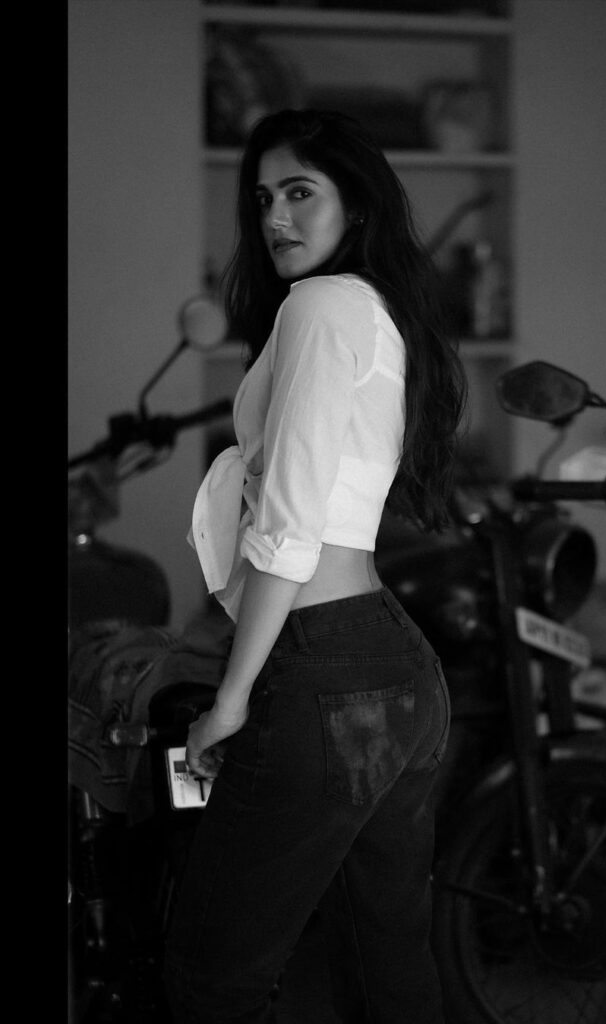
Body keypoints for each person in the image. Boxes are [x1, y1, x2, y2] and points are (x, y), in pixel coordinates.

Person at [163, 108, 466, 1024]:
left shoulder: (321, 306)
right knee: (387, 969)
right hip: (397, 675)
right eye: (263, 199)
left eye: (300, 192)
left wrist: (231, 697)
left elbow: (288, 527)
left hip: (324, 666)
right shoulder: (373, 312)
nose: (275, 217)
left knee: (213, 971)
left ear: (356, 204)